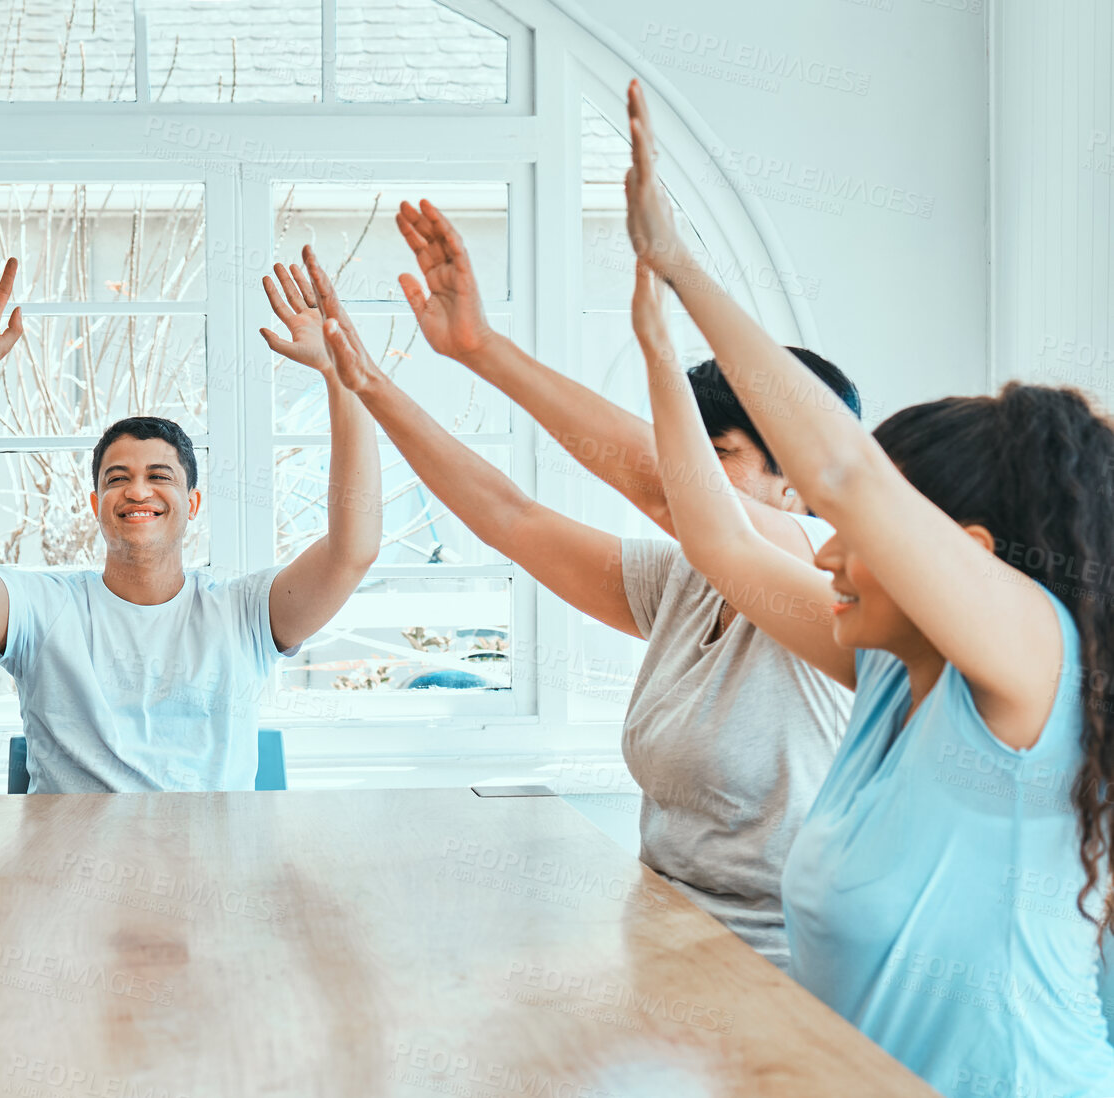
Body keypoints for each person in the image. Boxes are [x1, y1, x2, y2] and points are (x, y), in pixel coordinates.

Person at [622, 76, 1114, 1096]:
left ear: (966, 555)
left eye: (849, 535)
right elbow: (713, 536)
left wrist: (682, 265)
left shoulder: (1030, 677)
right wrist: (659, 355)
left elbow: (842, 470)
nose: (824, 552)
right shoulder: (891, 672)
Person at [301, 205, 857, 968]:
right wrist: (368, 384)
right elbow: (510, 517)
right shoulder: (686, 580)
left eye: (715, 453)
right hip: (669, 943)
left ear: (797, 481)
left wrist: (484, 350)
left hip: (788, 972)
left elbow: (668, 492)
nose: (691, 471)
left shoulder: (818, 569)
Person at [0, 247, 380, 792]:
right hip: (72, 870)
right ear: (96, 502)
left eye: (160, 475)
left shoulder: (241, 613)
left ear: (192, 503)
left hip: (213, 869)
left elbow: (352, 551)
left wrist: (345, 382)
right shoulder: (45, 612)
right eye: (117, 477)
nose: (138, 490)